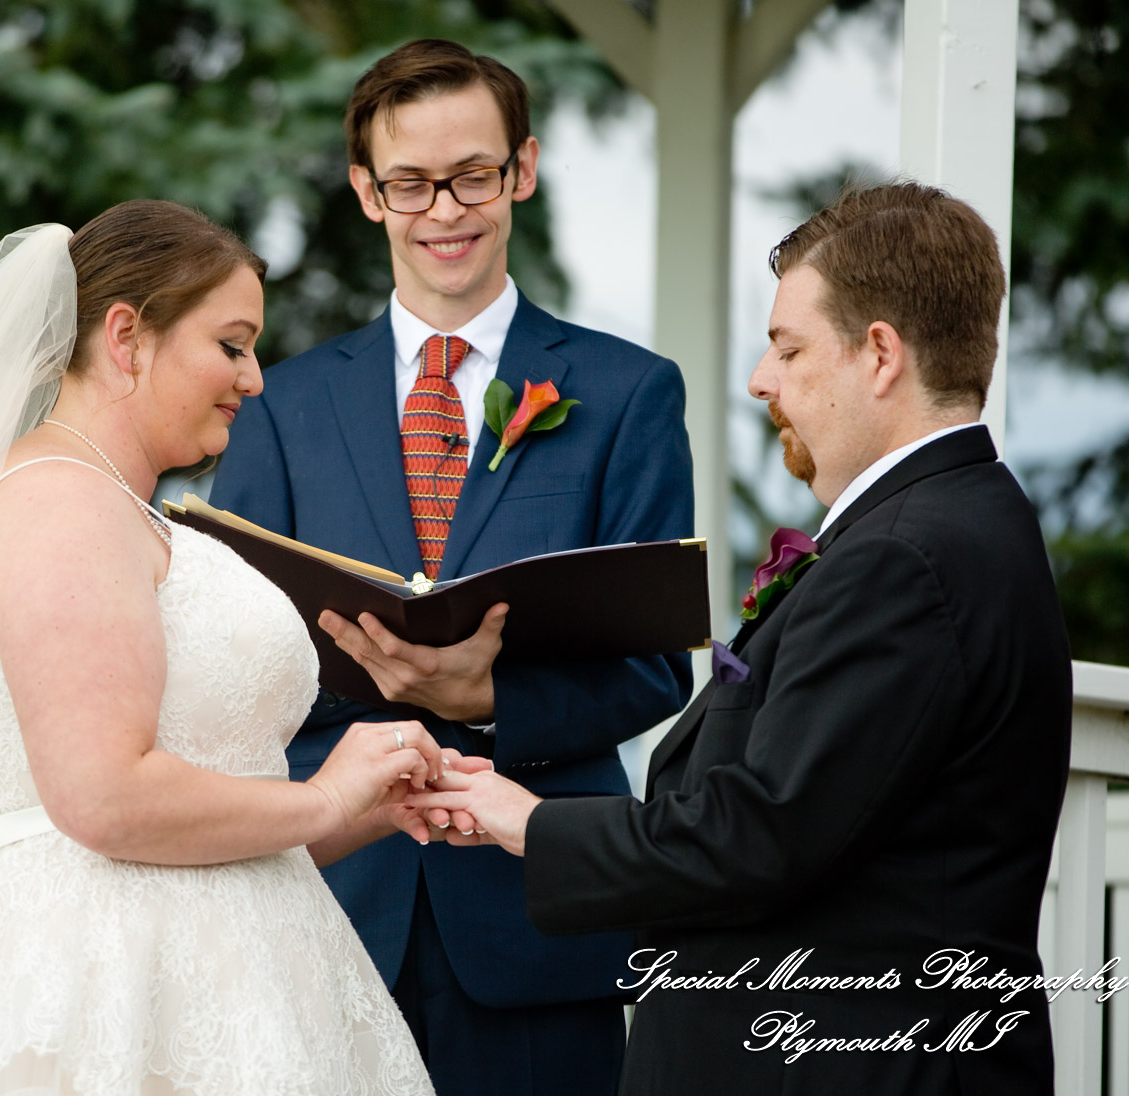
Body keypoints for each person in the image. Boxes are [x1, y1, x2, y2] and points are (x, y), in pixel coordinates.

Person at [0, 200, 455, 1095]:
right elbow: (101, 796)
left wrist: (355, 808)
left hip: (223, 980)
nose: (255, 379)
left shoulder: (114, 507)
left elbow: (176, 808)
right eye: (231, 344)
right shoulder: (59, 503)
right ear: (127, 335)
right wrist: (326, 798)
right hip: (94, 987)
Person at [411, 182, 1073, 1094]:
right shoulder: (941, 528)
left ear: (880, 354)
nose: (762, 379)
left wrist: (532, 825)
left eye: (789, 348)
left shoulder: (908, 559)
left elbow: (764, 833)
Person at [210, 38, 695, 1096]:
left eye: (472, 175)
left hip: (533, 923)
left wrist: (491, 698)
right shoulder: (279, 406)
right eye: (411, 183)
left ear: (521, 170)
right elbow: (235, 652)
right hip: (328, 903)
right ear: (366, 192)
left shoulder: (627, 393)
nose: (445, 210)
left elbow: (661, 668)